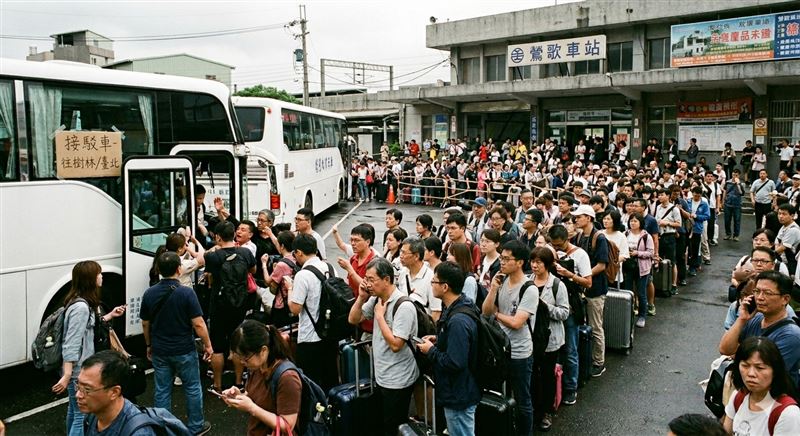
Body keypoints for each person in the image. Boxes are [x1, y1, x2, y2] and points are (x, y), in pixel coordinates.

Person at [140, 252, 212, 435]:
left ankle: (163, 427)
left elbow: (145, 323)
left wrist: (148, 345)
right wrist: (208, 345)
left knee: (162, 389)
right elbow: (198, 323)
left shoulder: (149, 293)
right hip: (184, 348)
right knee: (192, 387)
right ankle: (196, 426)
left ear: (159, 270)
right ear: (179, 269)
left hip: (160, 349)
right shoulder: (186, 292)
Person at [52, 261, 125, 436]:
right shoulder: (81, 307)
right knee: (82, 416)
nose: (101, 276)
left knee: (74, 410)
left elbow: (87, 328)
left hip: (76, 370)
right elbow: (71, 343)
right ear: (90, 279)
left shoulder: (79, 301)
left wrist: (109, 316)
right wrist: (68, 375)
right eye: (98, 274)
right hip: (79, 370)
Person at [348, 258, 419, 436]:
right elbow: (353, 319)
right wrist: (362, 297)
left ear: (386, 279)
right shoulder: (377, 299)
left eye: (372, 279)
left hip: (398, 379)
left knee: (394, 427)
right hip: (382, 375)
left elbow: (396, 344)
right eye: (367, 279)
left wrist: (379, 317)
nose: (368, 283)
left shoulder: (404, 306)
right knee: (382, 424)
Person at [417, 262, 481, 436]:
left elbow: (455, 362)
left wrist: (430, 351)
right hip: (459, 390)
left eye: (434, 282)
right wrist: (439, 340)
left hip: (458, 393)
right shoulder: (461, 305)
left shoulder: (458, 320)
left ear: (445, 287)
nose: (431, 284)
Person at [482, 240, 538, 436]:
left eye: (507, 259)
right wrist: (493, 289)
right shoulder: (502, 280)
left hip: (520, 352)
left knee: (523, 398)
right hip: (500, 348)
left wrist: (497, 315)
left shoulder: (529, 288)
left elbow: (516, 322)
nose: (502, 263)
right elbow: (486, 311)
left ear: (520, 262)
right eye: (501, 258)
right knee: (499, 395)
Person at [719, 270, 800, 387]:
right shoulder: (754, 318)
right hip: (746, 392)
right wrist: (741, 319)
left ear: (785, 299)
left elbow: (763, 375)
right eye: (757, 291)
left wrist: (740, 356)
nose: (760, 298)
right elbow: (725, 349)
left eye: (767, 293)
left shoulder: (791, 335)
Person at [222, 320, 302, 436]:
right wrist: (239, 397)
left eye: (245, 358)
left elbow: (288, 425)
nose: (242, 362)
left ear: (263, 350)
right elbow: (259, 401)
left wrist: (251, 408)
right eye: (239, 357)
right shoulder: (257, 367)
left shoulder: (288, 378)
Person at [204, 221, 256, 393]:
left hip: (218, 305)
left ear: (218, 237)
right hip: (239, 303)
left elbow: (209, 276)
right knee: (238, 344)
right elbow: (253, 270)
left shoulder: (213, 257)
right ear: (233, 234)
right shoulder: (245, 252)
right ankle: (239, 382)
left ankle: (217, 385)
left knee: (218, 347)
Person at [287, 233, 340, 392]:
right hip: (330, 334)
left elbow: (295, 309)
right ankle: (332, 412)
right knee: (330, 379)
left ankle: (314, 415)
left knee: (310, 383)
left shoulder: (303, 275)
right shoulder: (331, 268)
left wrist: (290, 288)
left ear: (299, 253)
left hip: (310, 337)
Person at [528, 247, 570, 432]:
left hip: (550, 338)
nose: (534, 265)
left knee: (547, 376)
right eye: (533, 261)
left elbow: (564, 312)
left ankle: (546, 411)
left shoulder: (556, 285)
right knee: (532, 375)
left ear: (547, 264)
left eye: (539, 262)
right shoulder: (527, 281)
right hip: (530, 338)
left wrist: (544, 307)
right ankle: (534, 409)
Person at [723, 337, 800, 435]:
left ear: (775, 370)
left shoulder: (788, 414)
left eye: (760, 368)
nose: (751, 374)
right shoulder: (738, 397)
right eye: (745, 366)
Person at [79, 351, 161, 436]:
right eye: (78, 386)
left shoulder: (138, 433)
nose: (78, 395)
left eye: (87, 389)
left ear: (114, 392)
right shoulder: (94, 414)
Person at [570, 204, 610, 377]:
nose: (576, 219)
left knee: (595, 325)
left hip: (596, 288)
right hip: (582, 286)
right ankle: (587, 356)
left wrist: (584, 276)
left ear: (589, 218)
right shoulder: (578, 236)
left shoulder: (599, 238)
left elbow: (602, 265)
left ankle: (599, 361)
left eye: (579, 216)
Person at [337, 224, 378, 337]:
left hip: (368, 315)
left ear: (368, 242)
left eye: (357, 240)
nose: (353, 244)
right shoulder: (353, 259)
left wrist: (350, 270)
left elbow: (369, 288)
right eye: (351, 240)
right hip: (353, 310)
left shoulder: (375, 262)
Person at [259, 230, 299, 328]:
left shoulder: (281, 265)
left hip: (281, 305)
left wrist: (264, 264)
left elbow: (268, 282)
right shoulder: (297, 258)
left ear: (282, 246)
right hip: (295, 300)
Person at [399, 236, 441, 321]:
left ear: (416, 256)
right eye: (400, 252)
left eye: (404, 253)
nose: (401, 256)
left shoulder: (431, 279)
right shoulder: (403, 273)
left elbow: (436, 312)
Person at [626, 214, 655, 328]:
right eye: (631, 221)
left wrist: (637, 253)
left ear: (640, 223)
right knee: (628, 291)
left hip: (642, 268)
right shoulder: (626, 234)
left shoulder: (646, 236)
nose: (632, 223)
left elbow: (650, 253)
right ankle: (629, 313)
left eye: (635, 221)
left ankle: (642, 315)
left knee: (641, 292)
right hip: (628, 266)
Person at [655, 188, 682, 295]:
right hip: (660, 236)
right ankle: (661, 283)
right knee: (660, 259)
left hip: (670, 236)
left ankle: (674, 284)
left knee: (672, 261)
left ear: (668, 196)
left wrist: (667, 223)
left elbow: (679, 224)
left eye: (662, 194)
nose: (659, 197)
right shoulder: (658, 207)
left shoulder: (674, 209)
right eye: (659, 195)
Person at [600, 210, 629, 285]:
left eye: (608, 219)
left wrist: (612, 261)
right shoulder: (599, 234)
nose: (605, 221)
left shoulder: (621, 236)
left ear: (615, 221)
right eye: (604, 218)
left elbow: (624, 255)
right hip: (600, 270)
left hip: (614, 271)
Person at [687, 187, 710, 277]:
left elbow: (707, 216)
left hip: (697, 228)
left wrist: (697, 216)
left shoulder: (704, 204)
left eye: (698, 196)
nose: (696, 197)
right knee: (687, 247)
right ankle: (688, 264)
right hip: (687, 227)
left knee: (695, 248)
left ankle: (693, 267)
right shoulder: (688, 202)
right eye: (695, 195)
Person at [723, 169, 745, 241]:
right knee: (727, 220)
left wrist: (738, 184)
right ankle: (728, 234)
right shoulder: (727, 182)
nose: (734, 176)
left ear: (739, 175)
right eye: (733, 175)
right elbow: (725, 191)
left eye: (736, 175)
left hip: (737, 204)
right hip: (728, 203)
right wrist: (723, 201)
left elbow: (741, 193)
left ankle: (736, 235)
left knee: (737, 220)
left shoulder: (741, 184)